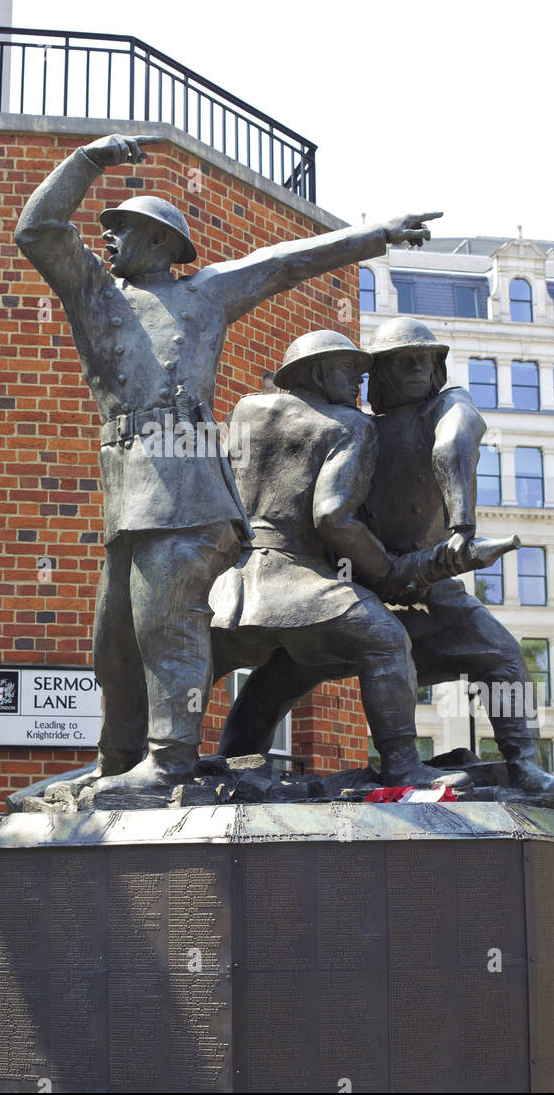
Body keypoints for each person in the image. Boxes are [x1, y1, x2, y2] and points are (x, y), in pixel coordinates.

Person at [13, 131, 440, 797]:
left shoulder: (204, 294)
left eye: (123, 229)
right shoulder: (96, 293)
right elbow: (37, 229)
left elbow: (283, 262)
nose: (108, 239)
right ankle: (118, 763)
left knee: (171, 626)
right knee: (115, 646)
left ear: (162, 245)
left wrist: (373, 235)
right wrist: (88, 160)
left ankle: (169, 761)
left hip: (186, 495)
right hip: (128, 492)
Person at [210, 330, 515, 785]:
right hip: (309, 580)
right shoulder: (351, 425)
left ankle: (189, 761)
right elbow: (333, 515)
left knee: (264, 680)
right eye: (349, 370)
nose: (359, 381)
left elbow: (454, 442)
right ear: (316, 372)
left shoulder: (246, 410)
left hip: (235, 583)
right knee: (379, 644)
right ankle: (402, 765)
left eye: (363, 372)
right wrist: (388, 569)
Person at [360, 316, 554, 795]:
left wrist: (462, 527)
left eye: (424, 358)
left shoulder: (449, 405)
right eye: (401, 361)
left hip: (432, 586)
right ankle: (223, 754)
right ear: (380, 374)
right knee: (276, 680)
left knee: (501, 654)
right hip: (357, 583)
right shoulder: (360, 427)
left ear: (438, 366)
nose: (415, 366)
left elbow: (455, 441)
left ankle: (524, 766)